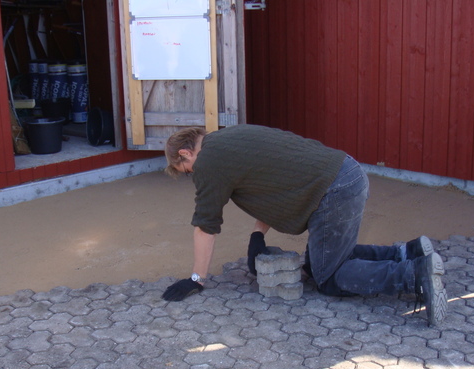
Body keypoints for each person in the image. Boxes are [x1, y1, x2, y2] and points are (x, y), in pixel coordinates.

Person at [161, 124, 447, 324]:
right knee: (319, 261)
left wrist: (196, 279)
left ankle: (414, 275)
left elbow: (206, 225)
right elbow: (273, 186)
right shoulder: (229, 137)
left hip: (334, 191)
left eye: (185, 171)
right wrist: (257, 235)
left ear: (185, 154)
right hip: (345, 172)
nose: (191, 174)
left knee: (329, 277)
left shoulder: (209, 162)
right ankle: (406, 253)